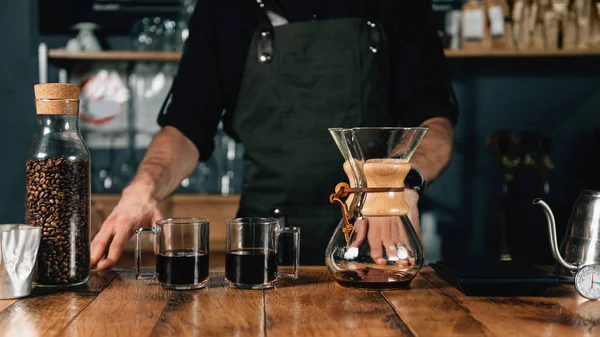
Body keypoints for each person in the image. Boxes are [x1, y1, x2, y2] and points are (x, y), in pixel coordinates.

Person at [91, 0, 458, 269]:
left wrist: (398, 185)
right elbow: (185, 128)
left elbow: (436, 125)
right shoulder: (224, 9)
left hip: (374, 243)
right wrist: (142, 188)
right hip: (262, 249)